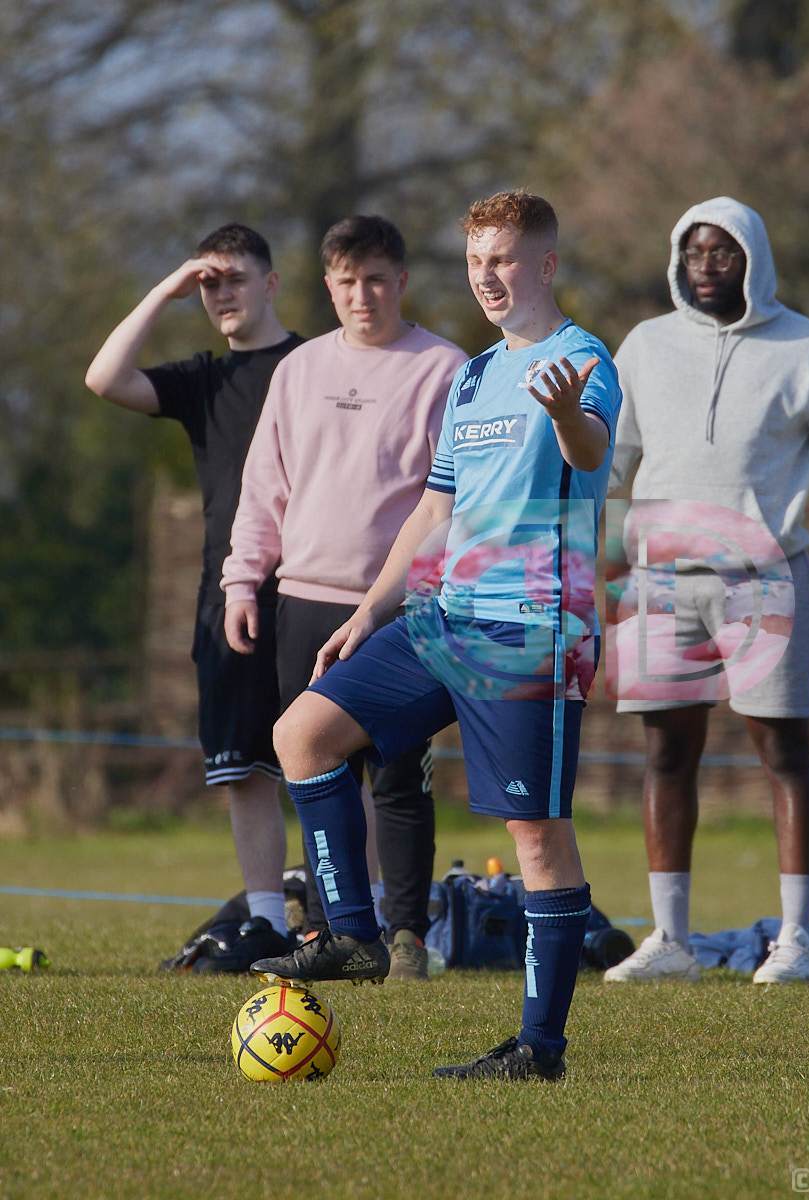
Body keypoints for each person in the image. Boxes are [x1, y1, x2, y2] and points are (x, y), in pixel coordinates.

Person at [252, 190, 621, 1081]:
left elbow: (590, 449)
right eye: (475, 261)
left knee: (536, 837)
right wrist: (370, 610)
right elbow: (434, 510)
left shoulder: (583, 358)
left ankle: (538, 1049)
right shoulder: (475, 375)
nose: (486, 277)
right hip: (443, 617)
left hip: (531, 626)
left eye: (503, 259)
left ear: (544, 265)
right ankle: (353, 938)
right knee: (302, 734)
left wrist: (566, 414)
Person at [602, 197, 809, 986]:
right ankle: (671, 941)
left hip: (764, 579)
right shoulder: (644, 346)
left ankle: (795, 940)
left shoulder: (808, 347)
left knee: (782, 749)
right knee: (666, 752)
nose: (707, 266)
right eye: (694, 252)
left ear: (753, 260)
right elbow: (609, 458)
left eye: (724, 253)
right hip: (659, 579)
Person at [222, 215, 466, 980]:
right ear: (328, 287)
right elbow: (264, 486)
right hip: (304, 595)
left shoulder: (446, 368)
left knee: (400, 781)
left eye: (378, 280)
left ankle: (408, 935)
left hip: (399, 607)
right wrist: (242, 579)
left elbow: (450, 504)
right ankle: (333, 931)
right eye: (348, 282)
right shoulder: (299, 369)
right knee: (314, 767)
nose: (364, 296)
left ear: (403, 282)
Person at [84, 223, 303, 970]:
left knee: (338, 762)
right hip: (228, 597)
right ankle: (267, 922)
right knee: (245, 768)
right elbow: (104, 379)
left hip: (317, 586)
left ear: (271, 282)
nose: (221, 295)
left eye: (235, 278)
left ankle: (354, 916)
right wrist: (165, 289)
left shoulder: (315, 365)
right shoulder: (205, 380)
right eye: (209, 284)